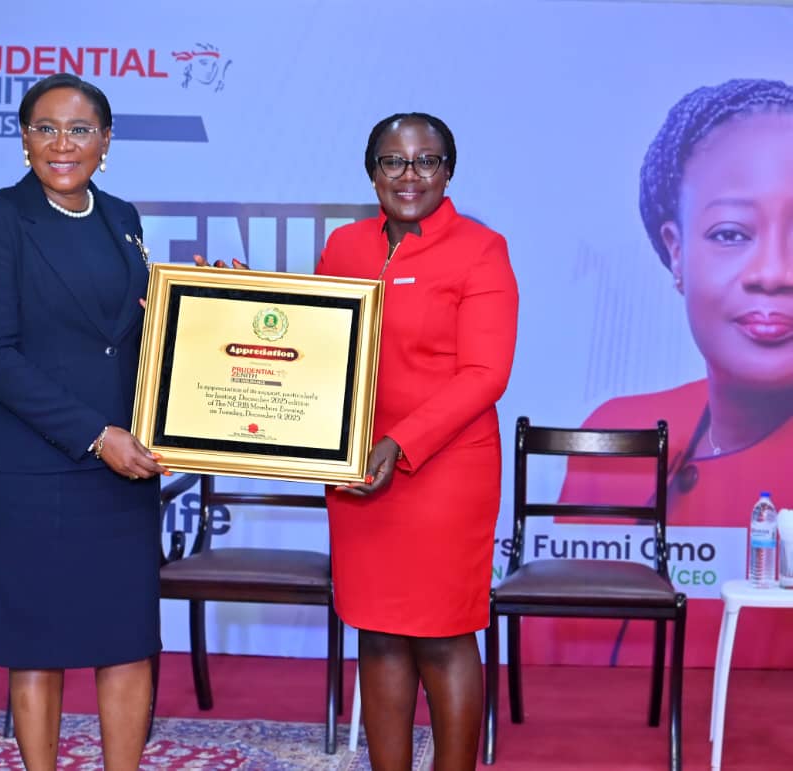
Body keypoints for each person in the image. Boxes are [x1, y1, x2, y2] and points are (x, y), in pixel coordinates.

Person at [0, 73, 168, 771]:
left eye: (79, 129)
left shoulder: (122, 217)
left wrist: (210, 306)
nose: (62, 144)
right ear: (24, 139)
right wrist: (95, 436)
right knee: (37, 646)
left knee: (127, 638)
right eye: (45, 128)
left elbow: (133, 335)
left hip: (120, 473)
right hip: (30, 469)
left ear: (106, 140)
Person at [553, 78, 793, 669]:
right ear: (676, 250)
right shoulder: (617, 431)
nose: (773, 273)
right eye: (731, 234)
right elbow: (554, 643)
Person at [317, 113, 518, 770]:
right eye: (394, 160)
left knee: (442, 636)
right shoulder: (344, 246)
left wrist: (400, 442)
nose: (410, 175)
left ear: (448, 172)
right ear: (371, 171)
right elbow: (317, 343)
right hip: (357, 469)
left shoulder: (481, 249)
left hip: (444, 471)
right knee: (377, 633)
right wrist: (235, 298)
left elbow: (485, 374)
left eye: (426, 161)